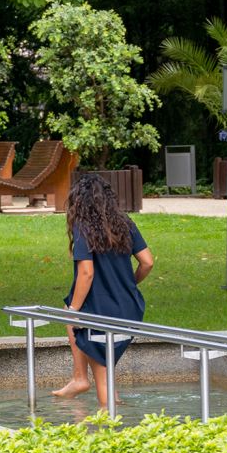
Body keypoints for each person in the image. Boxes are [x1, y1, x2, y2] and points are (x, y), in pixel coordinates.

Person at [52, 174, 154, 409]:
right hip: (130, 310)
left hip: (102, 313)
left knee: (70, 312)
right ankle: (79, 379)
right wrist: (129, 284)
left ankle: (108, 429)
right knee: (106, 371)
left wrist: (75, 310)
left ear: (79, 201)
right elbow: (147, 262)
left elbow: (86, 272)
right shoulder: (125, 223)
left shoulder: (83, 228)